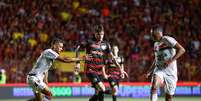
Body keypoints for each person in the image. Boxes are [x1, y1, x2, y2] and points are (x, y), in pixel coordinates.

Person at [75, 25, 127, 101]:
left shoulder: (106, 45)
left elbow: (113, 58)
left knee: (99, 93)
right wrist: (78, 63)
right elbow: (78, 48)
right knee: (102, 88)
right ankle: (114, 92)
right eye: (99, 34)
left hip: (100, 71)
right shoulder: (89, 42)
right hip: (90, 69)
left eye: (102, 34)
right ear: (95, 33)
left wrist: (121, 70)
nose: (101, 36)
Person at [145, 25, 185, 101]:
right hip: (159, 69)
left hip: (171, 72)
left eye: (152, 33)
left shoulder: (167, 39)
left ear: (158, 32)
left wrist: (171, 60)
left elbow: (182, 50)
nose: (151, 35)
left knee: (169, 98)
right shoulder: (155, 44)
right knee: (154, 87)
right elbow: (156, 59)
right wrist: (149, 71)